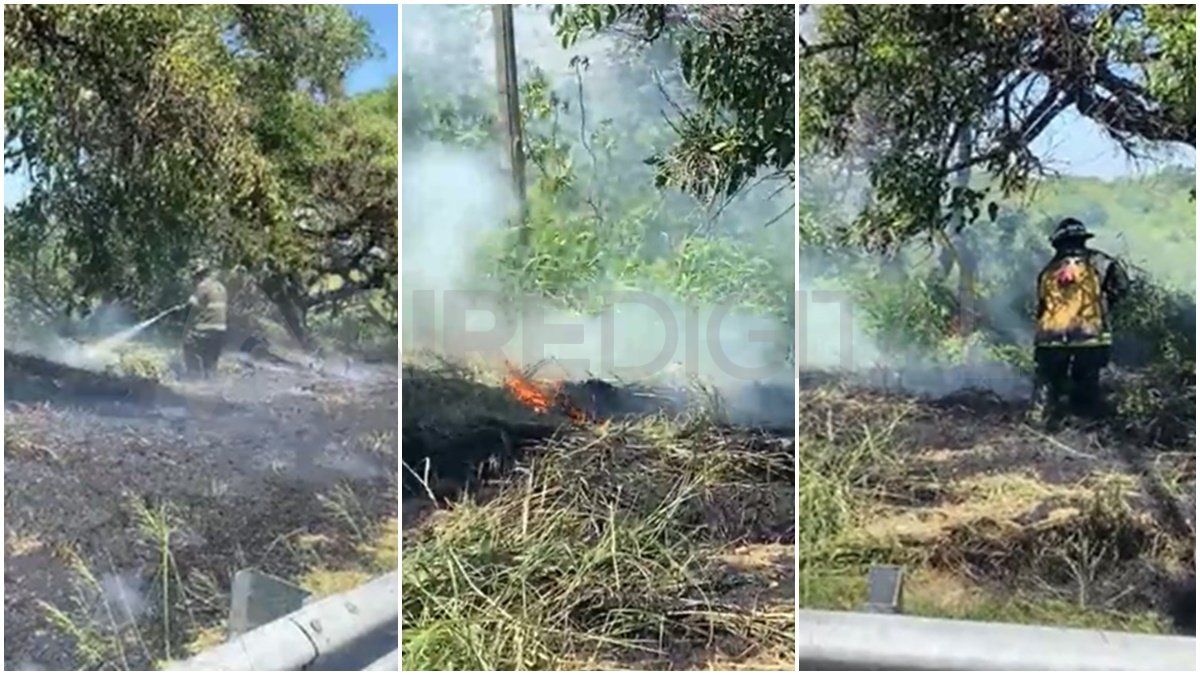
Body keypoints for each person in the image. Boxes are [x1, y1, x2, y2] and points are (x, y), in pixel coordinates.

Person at [1029, 218, 1129, 426]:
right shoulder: (1102, 262)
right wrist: (1104, 305)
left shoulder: (1047, 270)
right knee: (1086, 384)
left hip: (1050, 340)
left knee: (1047, 385)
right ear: (1083, 240)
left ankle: (1040, 424)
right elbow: (1122, 287)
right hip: (1089, 338)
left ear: (1058, 243)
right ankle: (1083, 428)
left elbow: (1041, 305)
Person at [182, 261, 227, 378]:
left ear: (198, 276)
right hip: (221, 330)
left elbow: (191, 304)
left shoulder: (203, 286)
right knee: (211, 360)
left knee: (188, 343)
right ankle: (211, 384)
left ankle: (193, 376)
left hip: (205, 329)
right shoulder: (220, 287)